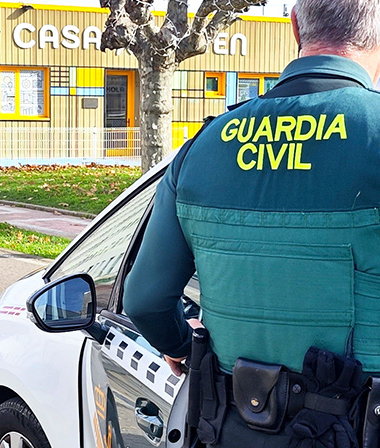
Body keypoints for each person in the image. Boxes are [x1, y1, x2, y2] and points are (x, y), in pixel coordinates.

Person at [123, 0, 380, 447]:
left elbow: (145, 299)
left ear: (295, 26)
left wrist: (184, 346)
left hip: (228, 425)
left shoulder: (203, 146)